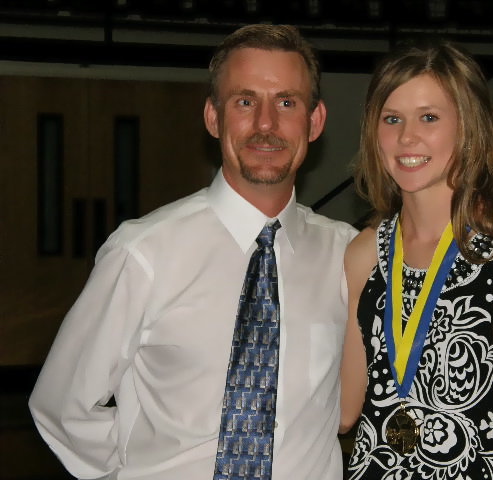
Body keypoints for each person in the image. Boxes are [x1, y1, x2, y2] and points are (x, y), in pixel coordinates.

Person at [29, 24, 357, 480]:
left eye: (287, 102)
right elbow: (61, 405)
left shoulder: (349, 256)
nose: (266, 123)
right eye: (245, 102)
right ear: (213, 117)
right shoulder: (144, 252)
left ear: (315, 121)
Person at [339, 40, 493, 480]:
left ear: (468, 127)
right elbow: (341, 411)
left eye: (429, 118)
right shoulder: (364, 253)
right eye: (391, 118)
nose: (406, 136)